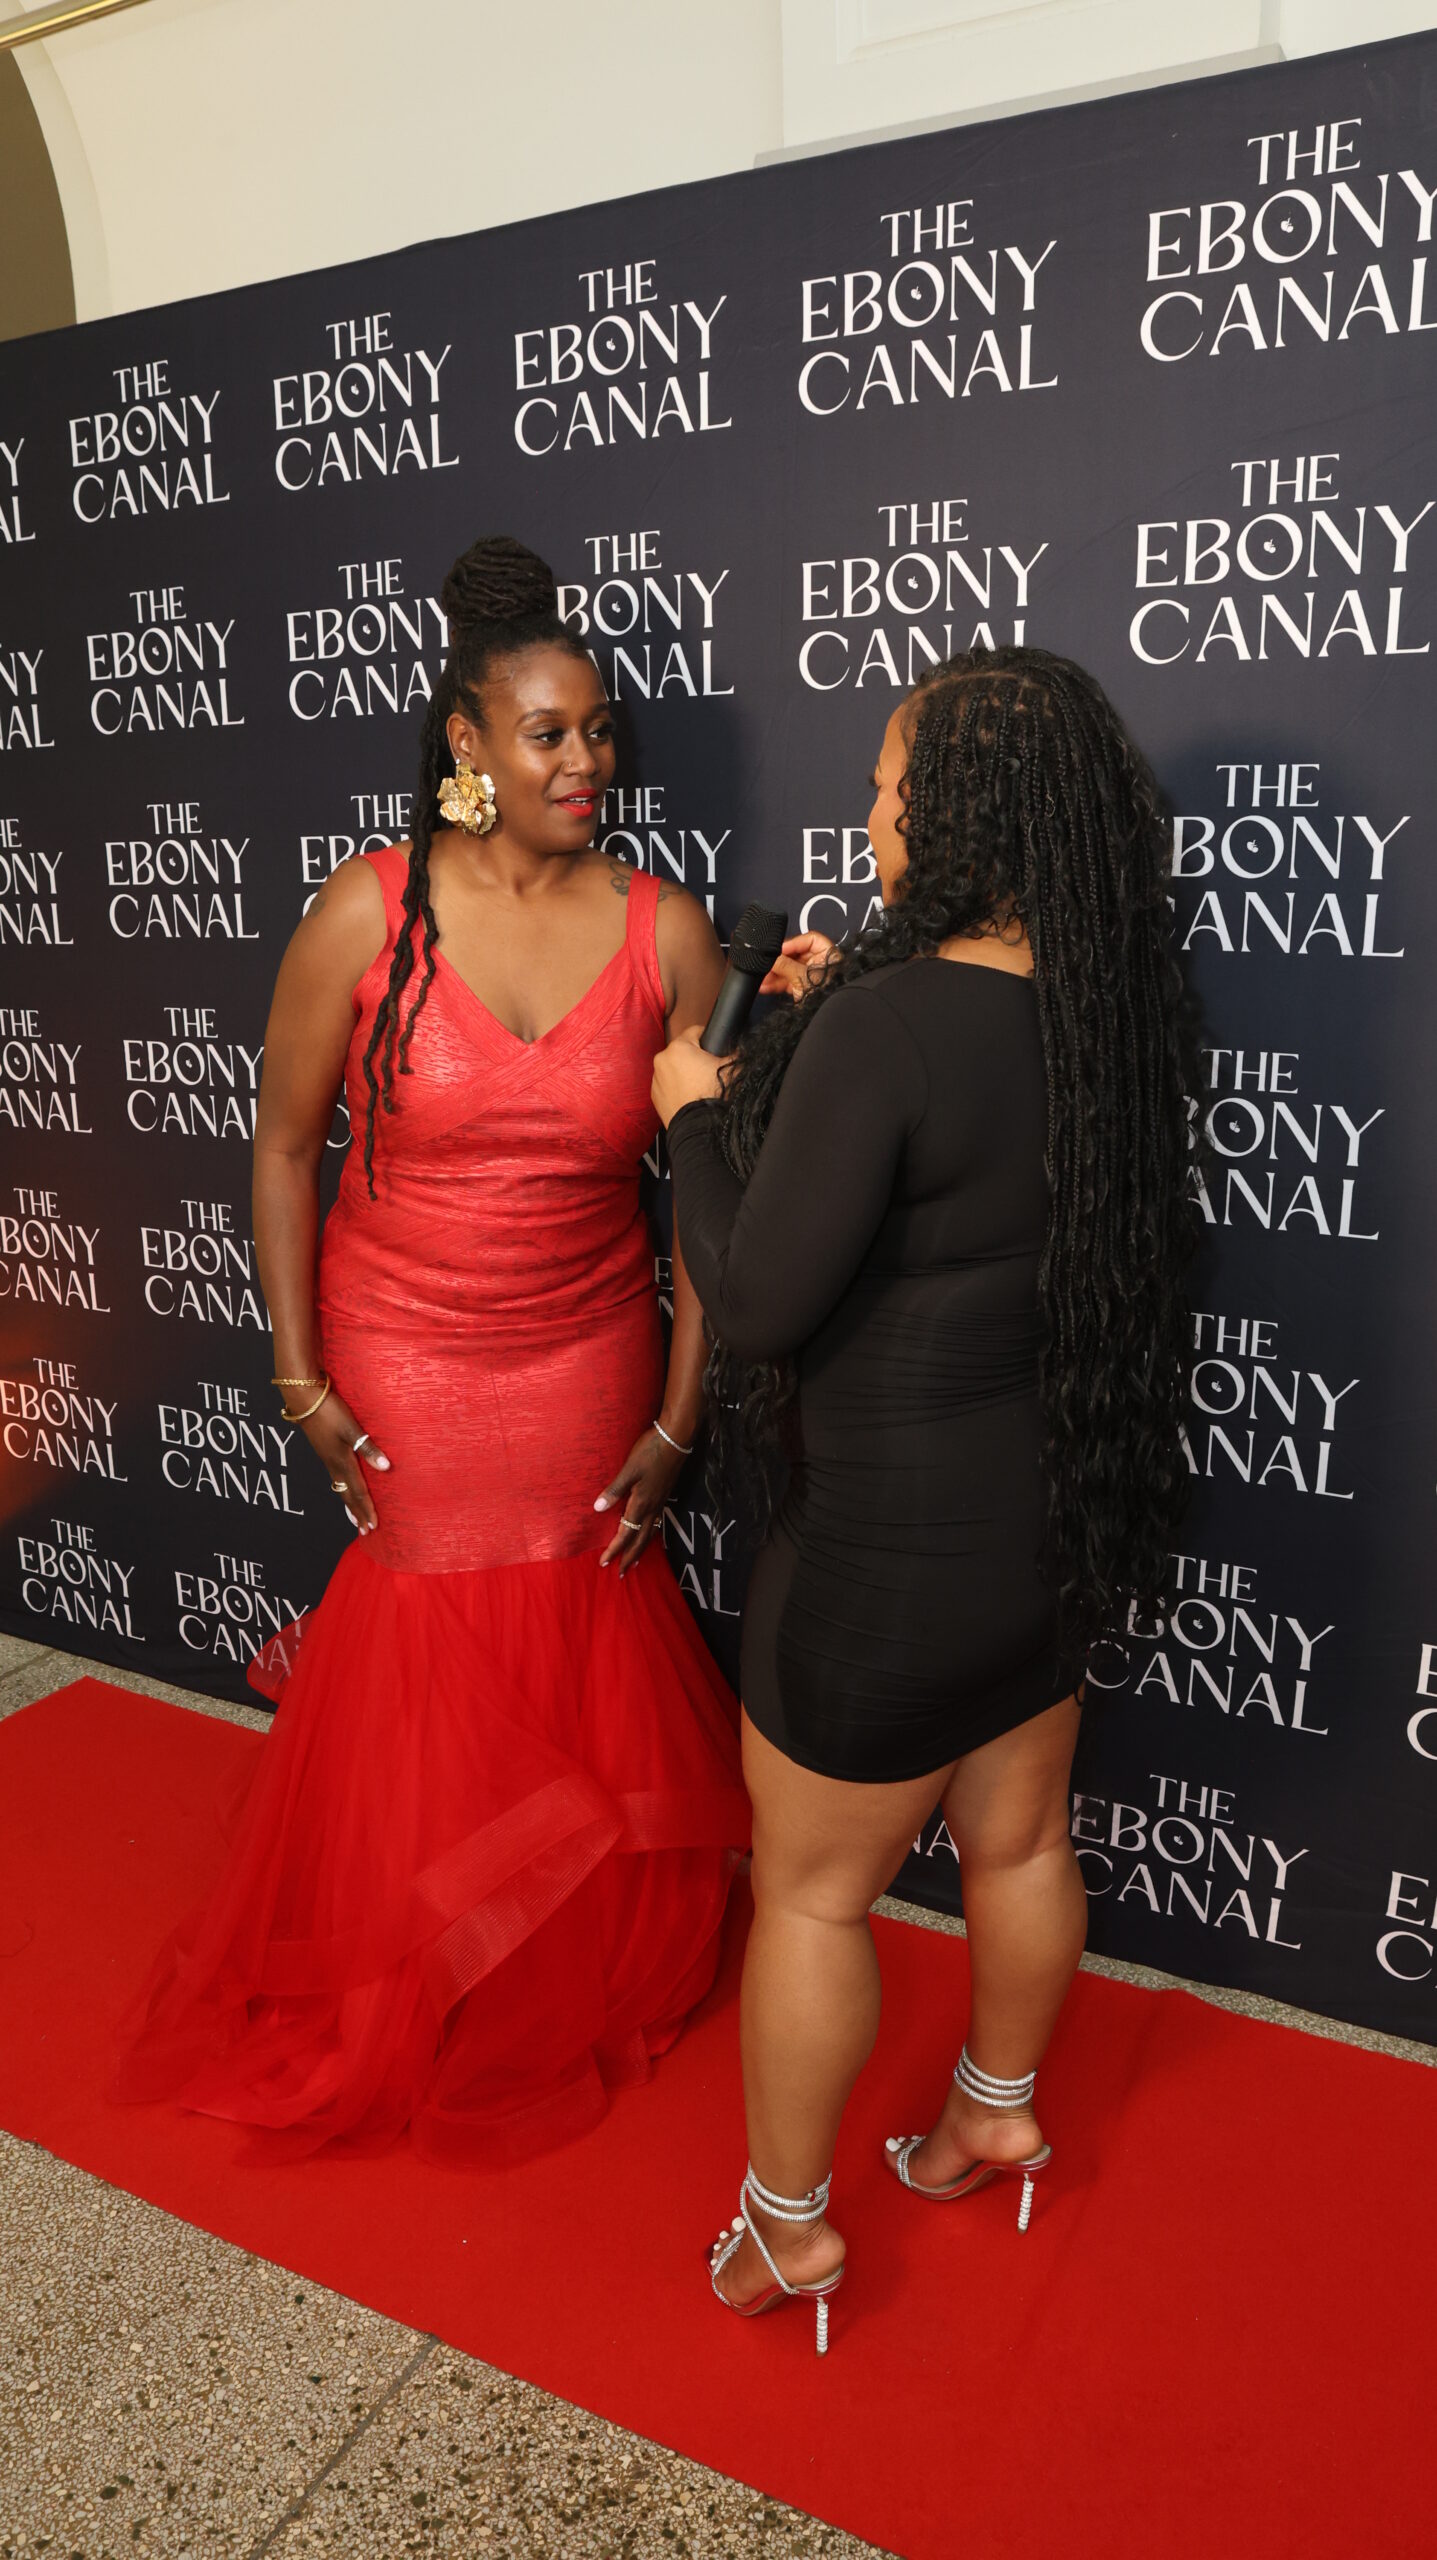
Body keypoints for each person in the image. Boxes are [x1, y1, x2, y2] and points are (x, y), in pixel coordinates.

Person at [116, 535, 749, 2165]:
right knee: (430, 1647)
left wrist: (679, 1420)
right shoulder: (364, 911)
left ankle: (555, 1968)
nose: (585, 761)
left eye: (598, 732)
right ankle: (417, 1976)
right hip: (403, 1353)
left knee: (571, 1630)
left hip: (589, 1355)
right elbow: (282, 1149)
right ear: (466, 740)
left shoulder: (667, 933)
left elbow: (706, 1214)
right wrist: (299, 1376)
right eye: (547, 734)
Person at [652, 648, 1198, 2351]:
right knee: (1019, 1841)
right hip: (1042, 1549)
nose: (874, 811)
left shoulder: (886, 1030)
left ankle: (788, 2230)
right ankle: (992, 2116)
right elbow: (948, 1172)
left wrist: (693, 1119)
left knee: (814, 1897)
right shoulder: (1104, 1020)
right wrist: (826, 1029)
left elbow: (755, 1299)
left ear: (959, 812)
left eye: (891, 784)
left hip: (879, 1576)